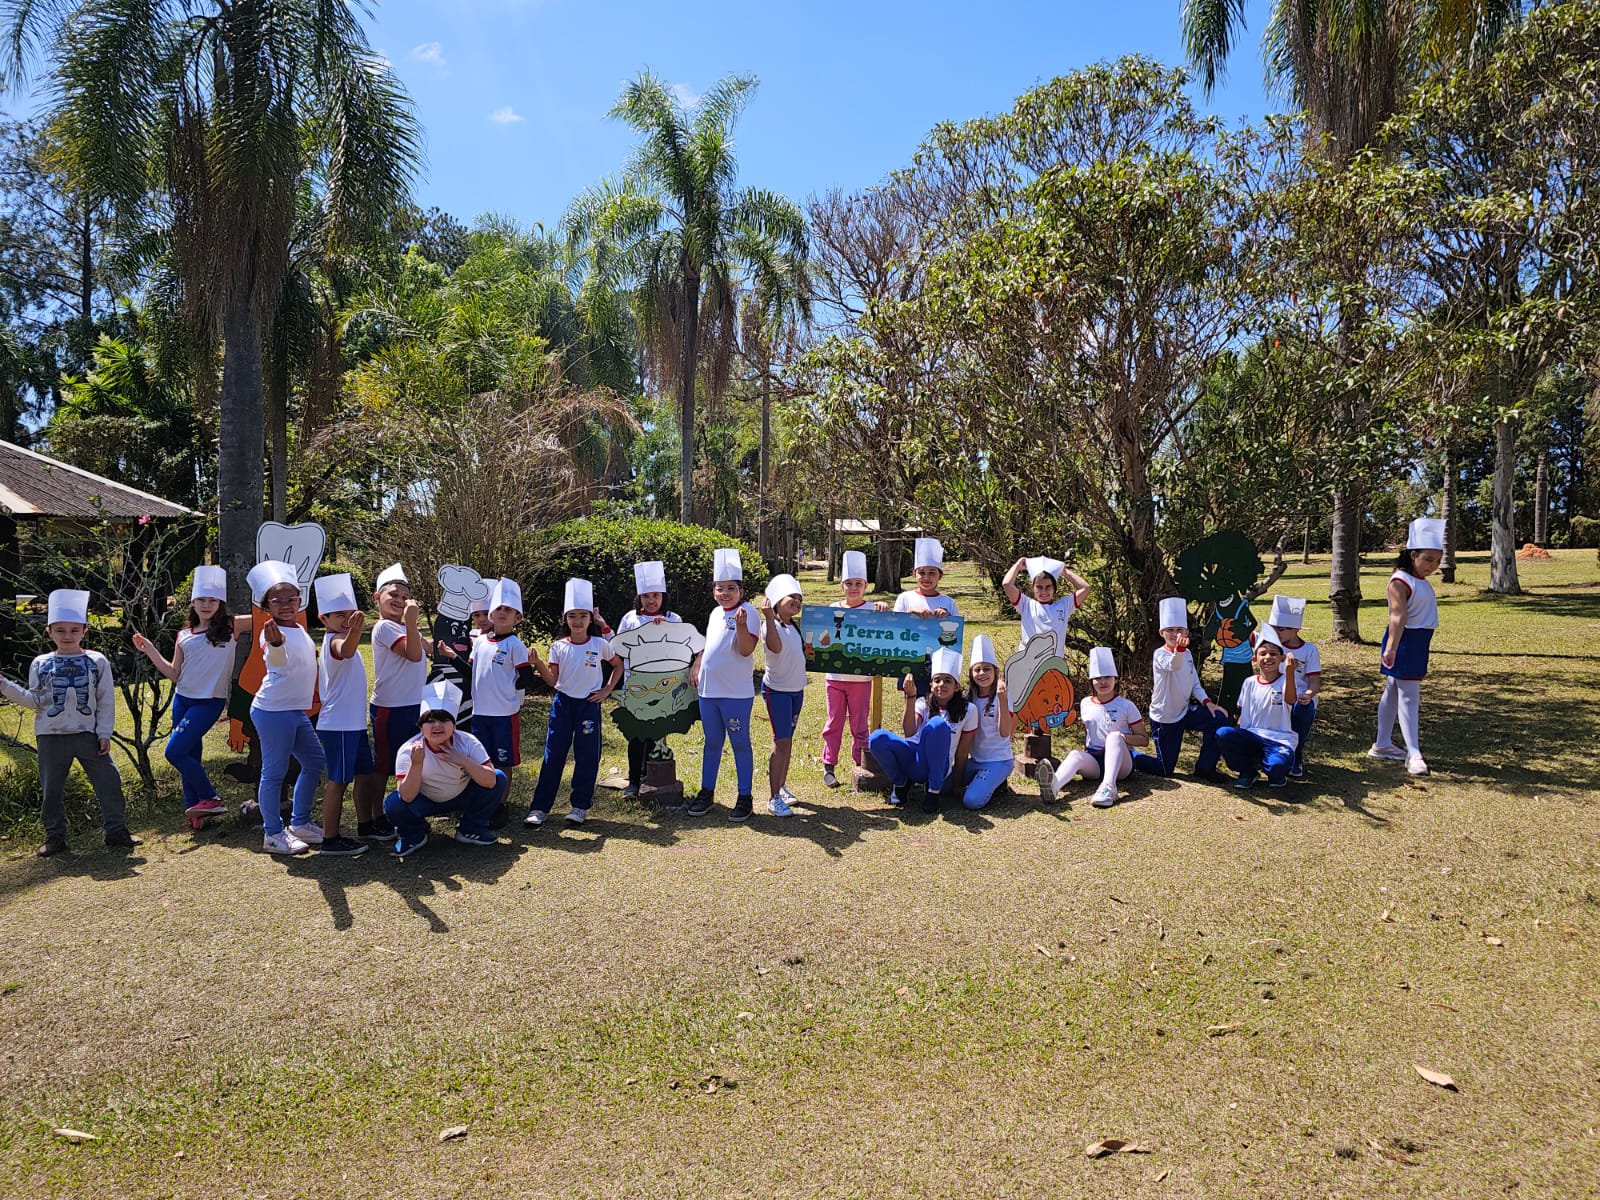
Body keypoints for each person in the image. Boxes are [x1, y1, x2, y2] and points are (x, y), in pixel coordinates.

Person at [2, 589, 138, 856]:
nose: (67, 636)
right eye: (60, 630)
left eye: (74, 630)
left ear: (85, 631)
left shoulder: (97, 661)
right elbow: (35, 700)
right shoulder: (41, 663)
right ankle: (55, 837)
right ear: (49, 632)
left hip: (87, 735)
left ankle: (116, 831)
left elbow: (105, 700)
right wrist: (5, 686)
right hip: (50, 736)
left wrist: (104, 733)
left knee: (109, 782)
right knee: (51, 790)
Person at [131, 564, 247, 827]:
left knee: (174, 751)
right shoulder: (183, 635)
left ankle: (210, 798)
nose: (206, 605)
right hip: (182, 700)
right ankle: (195, 812)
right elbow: (174, 673)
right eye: (201, 600)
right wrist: (149, 649)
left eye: (212, 600)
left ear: (220, 603)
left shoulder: (232, 625)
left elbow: (265, 617)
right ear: (193, 602)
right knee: (189, 756)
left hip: (209, 702)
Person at [525, 578, 621, 826]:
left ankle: (580, 806)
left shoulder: (600, 644)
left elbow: (618, 665)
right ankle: (539, 808)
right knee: (553, 756)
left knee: (587, 757)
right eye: (572, 616)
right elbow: (552, 680)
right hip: (563, 705)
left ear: (590, 619)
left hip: (588, 706)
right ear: (564, 618)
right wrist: (538, 664)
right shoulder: (558, 647)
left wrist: (607, 690)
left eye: (583, 616)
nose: (577, 621)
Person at [247, 561, 327, 854]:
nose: (285, 605)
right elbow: (276, 662)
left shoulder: (300, 629)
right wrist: (277, 646)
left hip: (293, 709)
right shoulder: (269, 632)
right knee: (274, 771)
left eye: (291, 599)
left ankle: (300, 822)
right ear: (266, 605)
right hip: (273, 710)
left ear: (300, 600)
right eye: (277, 601)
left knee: (315, 761)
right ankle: (272, 834)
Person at [384, 681, 507, 856]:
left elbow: (491, 781)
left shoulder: (467, 742)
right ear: (421, 727)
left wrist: (463, 760)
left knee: (499, 777)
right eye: (430, 721)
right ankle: (414, 834)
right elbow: (407, 796)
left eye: (444, 720)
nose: (437, 726)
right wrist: (416, 764)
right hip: (426, 801)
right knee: (393, 803)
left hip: (462, 795)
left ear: (454, 725)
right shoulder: (409, 750)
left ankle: (471, 828)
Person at [1035, 646, 1160, 808]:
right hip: (1095, 761)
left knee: (1114, 737)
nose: (1103, 682)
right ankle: (1053, 786)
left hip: (1122, 765)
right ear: (1092, 681)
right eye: (1098, 678)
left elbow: (1143, 740)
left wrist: (1123, 738)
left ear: (1116, 679)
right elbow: (1088, 733)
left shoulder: (1126, 706)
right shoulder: (1085, 703)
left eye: (1107, 677)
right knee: (1075, 755)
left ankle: (1109, 788)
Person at [687, 548, 760, 821]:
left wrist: (741, 626)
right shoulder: (715, 613)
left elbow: (746, 650)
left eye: (731, 588)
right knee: (712, 743)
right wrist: (697, 664)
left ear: (741, 590)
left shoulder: (748, 612)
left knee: (740, 743)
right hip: (709, 692)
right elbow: (709, 646)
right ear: (714, 591)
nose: (725, 593)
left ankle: (745, 797)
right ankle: (706, 792)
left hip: (735, 694)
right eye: (720, 588)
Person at [353, 563, 424, 841]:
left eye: (405, 596)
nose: (399, 600)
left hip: (413, 706)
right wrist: (412, 622)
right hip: (390, 708)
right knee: (384, 764)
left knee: (408, 761)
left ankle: (404, 812)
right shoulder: (385, 627)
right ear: (377, 597)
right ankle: (375, 817)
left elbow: (427, 650)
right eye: (393, 594)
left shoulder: (402, 627)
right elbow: (413, 654)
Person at [1371, 517, 1444, 777]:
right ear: (1413, 555)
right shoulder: (1400, 581)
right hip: (1404, 642)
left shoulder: (1418, 580)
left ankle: (1382, 744)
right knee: (1409, 697)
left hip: (1417, 641)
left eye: (1437, 561)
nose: (1432, 566)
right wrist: (1391, 648)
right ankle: (1414, 753)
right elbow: (1397, 616)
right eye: (1428, 560)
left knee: (1393, 691)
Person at [867, 647, 976, 814]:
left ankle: (933, 791)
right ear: (931, 685)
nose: (942, 685)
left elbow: (962, 752)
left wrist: (957, 784)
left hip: (938, 766)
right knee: (877, 738)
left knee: (938, 724)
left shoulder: (969, 710)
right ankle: (901, 783)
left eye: (947, 681)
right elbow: (910, 732)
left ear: (957, 686)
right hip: (914, 758)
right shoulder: (922, 703)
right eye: (937, 680)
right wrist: (910, 697)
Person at [311, 573, 372, 856]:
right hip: (339, 724)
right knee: (339, 780)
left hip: (353, 723)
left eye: (349, 614)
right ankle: (331, 838)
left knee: (363, 773)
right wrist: (356, 632)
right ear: (323, 618)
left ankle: (366, 824)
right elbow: (345, 650)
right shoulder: (335, 640)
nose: (346, 620)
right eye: (339, 615)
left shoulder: (341, 637)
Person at [615, 560, 682, 798]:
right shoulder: (630, 619)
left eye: (655, 596)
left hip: (663, 688)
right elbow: (619, 648)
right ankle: (633, 781)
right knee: (636, 736)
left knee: (656, 734)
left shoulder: (674, 619)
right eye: (646, 596)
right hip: (635, 686)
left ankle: (651, 777)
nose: (651, 601)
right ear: (639, 597)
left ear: (663, 596)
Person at [1146, 595, 1227, 779]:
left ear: (1186, 632)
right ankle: (1132, 757)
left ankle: (1205, 768)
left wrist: (1207, 702)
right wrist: (1180, 650)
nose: (1175, 634)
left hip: (1184, 711)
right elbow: (1173, 665)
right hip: (1166, 717)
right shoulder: (1160, 654)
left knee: (1218, 719)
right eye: (1170, 630)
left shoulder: (1187, 653)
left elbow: (1194, 684)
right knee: (1165, 769)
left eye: (1179, 630)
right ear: (1161, 633)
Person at [469, 578, 538, 792]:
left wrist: (507, 690)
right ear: (491, 614)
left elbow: (527, 678)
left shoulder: (515, 645)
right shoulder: (480, 642)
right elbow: (470, 672)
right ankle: (483, 800)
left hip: (504, 714)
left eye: (508, 609)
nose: (501, 612)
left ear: (518, 618)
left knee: (503, 761)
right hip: (479, 712)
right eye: (498, 608)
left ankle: (501, 802)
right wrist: (452, 658)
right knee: (481, 759)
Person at [1214, 628, 1300, 789]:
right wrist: (1234, 741)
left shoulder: (1285, 681)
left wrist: (1290, 673)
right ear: (1254, 658)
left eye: (1273, 654)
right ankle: (1248, 772)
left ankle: (1275, 770)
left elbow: (1290, 699)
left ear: (1282, 658)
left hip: (1279, 738)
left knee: (1277, 768)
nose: (1268, 657)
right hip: (1252, 734)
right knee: (1223, 733)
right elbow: (1243, 712)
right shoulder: (1249, 682)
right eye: (1263, 654)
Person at [820, 550, 872, 789]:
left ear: (866, 586)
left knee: (860, 724)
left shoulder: (873, 609)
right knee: (834, 722)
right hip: (835, 678)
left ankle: (861, 764)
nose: (853, 588)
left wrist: (883, 608)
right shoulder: (832, 608)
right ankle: (828, 765)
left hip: (861, 680)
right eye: (849, 583)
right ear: (842, 585)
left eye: (858, 584)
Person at [757, 573, 806, 818]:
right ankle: (773, 797)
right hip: (777, 691)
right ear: (777, 601)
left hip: (796, 691)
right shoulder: (770, 625)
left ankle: (782, 787)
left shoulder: (794, 626)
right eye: (791, 597)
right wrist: (768, 616)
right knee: (781, 741)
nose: (797, 601)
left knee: (788, 741)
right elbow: (775, 648)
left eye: (799, 598)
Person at [959, 635, 1016, 810]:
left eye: (987, 669)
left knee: (972, 801)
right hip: (975, 760)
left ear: (995, 672)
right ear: (971, 673)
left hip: (998, 760)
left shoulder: (1004, 696)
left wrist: (1003, 700)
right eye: (977, 669)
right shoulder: (968, 697)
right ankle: (992, 783)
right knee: (944, 787)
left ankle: (995, 780)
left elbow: (1005, 732)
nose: (982, 673)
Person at [1267, 595, 1321, 779]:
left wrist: (1308, 694)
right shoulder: (1271, 646)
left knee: (1303, 709)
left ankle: (1296, 755)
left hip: (1299, 696)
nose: (1277, 633)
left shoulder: (1309, 650)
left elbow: (1314, 681)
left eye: (1281, 629)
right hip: (1274, 694)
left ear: (1296, 629)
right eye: (1274, 628)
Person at [1001, 555, 1090, 658]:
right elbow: (1007, 584)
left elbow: (1086, 588)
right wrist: (1018, 565)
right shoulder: (1026, 605)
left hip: (1054, 663)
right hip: (1028, 663)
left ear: (1054, 588)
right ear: (1033, 587)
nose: (1043, 591)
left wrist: (1065, 572)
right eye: (1039, 587)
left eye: (1048, 587)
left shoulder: (1064, 606)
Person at [877, 537, 959, 620]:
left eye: (932, 573)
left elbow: (956, 625)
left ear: (940, 576)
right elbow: (896, 622)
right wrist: (910, 611)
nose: (926, 578)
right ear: (914, 574)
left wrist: (947, 616)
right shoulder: (905, 598)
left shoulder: (948, 602)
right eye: (921, 573)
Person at [1206, 591, 1259, 716]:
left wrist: (1243, 633)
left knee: (1247, 685)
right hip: (1229, 658)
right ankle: (1225, 715)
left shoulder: (1241, 608)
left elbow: (1253, 623)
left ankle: (1248, 714)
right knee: (1227, 688)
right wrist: (1215, 631)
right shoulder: (1219, 612)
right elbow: (1208, 632)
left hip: (1245, 657)